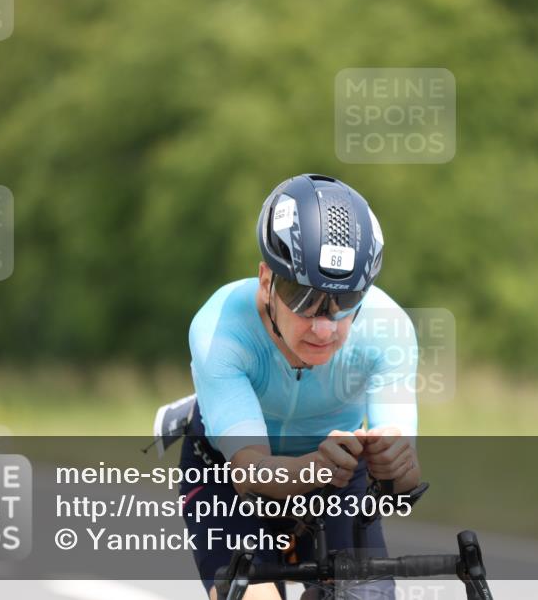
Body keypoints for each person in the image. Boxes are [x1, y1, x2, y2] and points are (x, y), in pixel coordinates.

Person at [178, 173, 421, 600]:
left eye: (346, 301)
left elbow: (404, 484)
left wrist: (394, 467)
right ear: (266, 280)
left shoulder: (389, 329)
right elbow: (250, 473)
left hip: (338, 473)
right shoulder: (220, 329)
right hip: (229, 475)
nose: (324, 327)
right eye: (304, 299)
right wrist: (316, 467)